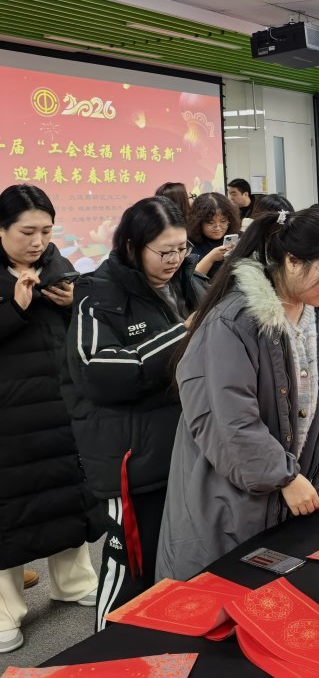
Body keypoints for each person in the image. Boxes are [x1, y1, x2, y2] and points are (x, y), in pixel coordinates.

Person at [157, 208, 319, 581]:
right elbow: (230, 422)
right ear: (292, 261)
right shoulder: (234, 322)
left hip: (298, 490)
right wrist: (283, 477)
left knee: (282, 598)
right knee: (225, 596)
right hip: (230, 501)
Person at [64, 197, 207, 629]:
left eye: (181, 248)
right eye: (164, 251)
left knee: (182, 558)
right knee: (131, 565)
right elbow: (98, 372)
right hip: (133, 457)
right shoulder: (97, 294)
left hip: (185, 447)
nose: (175, 259)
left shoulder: (189, 283)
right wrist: (181, 335)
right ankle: (105, 650)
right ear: (131, 245)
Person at [0, 186, 103, 654]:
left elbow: (90, 330)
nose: (38, 241)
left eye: (45, 230)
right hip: (10, 414)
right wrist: (13, 310)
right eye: (27, 232)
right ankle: (6, 613)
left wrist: (74, 303)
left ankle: (74, 582)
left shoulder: (59, 267)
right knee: (9, 510)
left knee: (67, 496)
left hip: (60, 404)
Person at [188, 192, 240, 278]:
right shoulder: (189, 244)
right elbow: (191, 280)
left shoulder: (234, 237)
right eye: (210, 223)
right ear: (199, 223)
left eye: (223, 221)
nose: (218, 228)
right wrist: (211, 258)